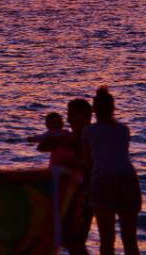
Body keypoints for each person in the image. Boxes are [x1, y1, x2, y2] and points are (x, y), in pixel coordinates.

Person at [83, 87, 141, 255]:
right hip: (128, 179)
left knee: (107, 239)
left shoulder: (89, 131)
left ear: (94, 109)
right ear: (113, 108)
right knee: (130, 238)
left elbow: (87, 162)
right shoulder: (123, 130)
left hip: (103, 179)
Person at [38, 98, 93, 255]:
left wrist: (70, 160)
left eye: (71, 115)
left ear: (84, 115)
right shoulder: (71, 137)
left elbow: (88, 164)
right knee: (69, 239)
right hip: (71, 194)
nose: (68, 119)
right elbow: (42, 147)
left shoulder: (88, 136)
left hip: (83, 194)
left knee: (75, 240)